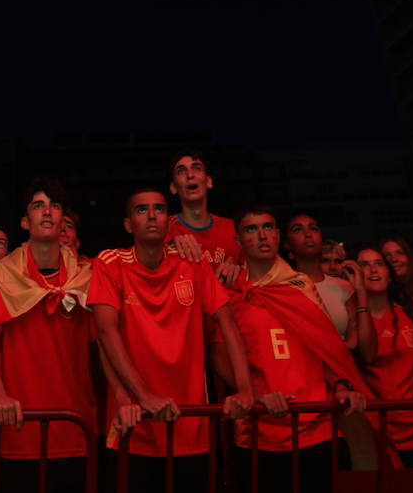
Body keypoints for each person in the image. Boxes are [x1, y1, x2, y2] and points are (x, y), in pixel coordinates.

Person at [88, 188, 254, 490]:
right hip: (134, 423)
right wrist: (143, 396)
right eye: (142, 210)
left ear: (169, 222)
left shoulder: (193, 263)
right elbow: (106, 332)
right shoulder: (110, 263)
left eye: (159, 209)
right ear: (128, 225)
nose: (152, 215)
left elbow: (227, 322)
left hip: (192, 424)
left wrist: (244, 388)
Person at [212, 205, 370, 492]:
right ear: (238, 242)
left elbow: (324, 349)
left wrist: (341, 384)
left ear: (277, 235)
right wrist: (256, 396)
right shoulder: (229, 292)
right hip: (261, 427)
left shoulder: (302, 286)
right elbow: (220, 356)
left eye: (268, 227)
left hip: (319, 424)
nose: (262, 235)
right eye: (251, 229)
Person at [0, 180, 96, 489]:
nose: (47, 212)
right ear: (24, 221)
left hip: (76, 426)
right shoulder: (4, 273)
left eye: (55, 206)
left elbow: (108, 340)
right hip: (20, 428)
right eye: (38, 205)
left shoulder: (88, 273)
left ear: (62, 220)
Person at [345, 245, 413, 486]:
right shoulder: (350, 317)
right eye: (364, 264)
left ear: (389, 274)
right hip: (378, 434)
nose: (372, 269)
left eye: (379, 264)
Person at [165, 152, 240, 277]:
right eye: (181, 171)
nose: (190, 175)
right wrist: (167, 249)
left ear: (209, 181)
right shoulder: (163, 229)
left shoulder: (233, 229)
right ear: (173, 187)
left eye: (197, 168)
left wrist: (240, 270)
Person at [284, 212, 354, 337]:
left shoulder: (344, 287)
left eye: (313, 228)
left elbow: (359, 344)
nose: (308, 234)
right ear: (287, 244)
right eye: (298, 229)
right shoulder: (281, 288)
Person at [380, 234, 413, 314]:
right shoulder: (381, 298)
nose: (394, 259)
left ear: (409, 257)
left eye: (399, 253)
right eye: (387, 255)